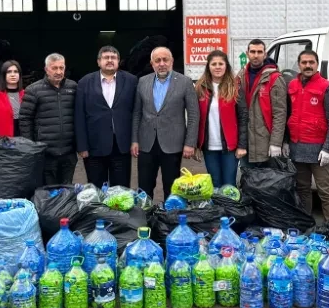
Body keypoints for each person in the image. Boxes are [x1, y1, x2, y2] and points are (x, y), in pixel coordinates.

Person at [131, 47, 199, 199]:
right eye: (157, 60)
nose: (162, 64)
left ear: (172, 61)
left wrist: (190, 143)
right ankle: (146, 218)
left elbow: (194, 114)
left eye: (165, 60)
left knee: (172, 188)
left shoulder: (185, 82)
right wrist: (134, 140)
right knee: (144, 188)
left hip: (173, 144)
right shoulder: (142, 81)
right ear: (152, 63)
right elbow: (137, 113)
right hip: (146, 143)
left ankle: (170, 218)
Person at [285, 49, 329, 221]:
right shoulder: (292, 86)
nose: (308, 66)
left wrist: (328, 149)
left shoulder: (327, 87)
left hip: (319, 150)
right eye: (304, 62)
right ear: (299, 65)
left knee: (326, 192)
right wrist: (286, 141)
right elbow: (288, 115)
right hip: (297, 148)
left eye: (311, 62)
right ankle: (306, 224)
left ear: (317, 65)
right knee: (302, 189)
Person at [75, 46, 138, 188]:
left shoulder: (131, 81)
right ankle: (99, 211)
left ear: (119, 61)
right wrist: (82, 146)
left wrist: (135, 140)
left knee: (121, 190)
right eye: (106, 57)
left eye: (113, 57)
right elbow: (79, 116)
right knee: (96, 189)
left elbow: (136, 113)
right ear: (98, 62)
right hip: (94, 147)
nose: (110, 60)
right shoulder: (85, 82)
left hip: (121, 145)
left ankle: (119, 212)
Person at [20, 53, 78, 185]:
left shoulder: (73, 87)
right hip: (46, 153)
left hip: (68, 152)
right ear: (46, 69)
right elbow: (25, 119)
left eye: (61, 68)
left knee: (67, 190)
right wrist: (31, 146)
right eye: (54, 68)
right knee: (48, 192)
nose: (58, 72)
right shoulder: (33, 90)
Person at [194, 50, 247, 187]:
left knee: (229, 185)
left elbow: (243, 117)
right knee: (215, 184)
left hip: (230, 147)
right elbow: (195, 118)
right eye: (214, 64)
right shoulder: (200, 88)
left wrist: (241, 145)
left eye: (221, 64)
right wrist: (196, 145)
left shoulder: (235, 87)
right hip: (209, 147)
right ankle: (218, 209)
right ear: (208, 67)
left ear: (226, 66)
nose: (217, 67)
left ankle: (229, 209)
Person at [237, 39, 287, 165]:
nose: (256, 55)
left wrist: (276, 143)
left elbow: (280, 114)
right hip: (246, 142)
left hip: (266, 142)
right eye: (252, 51)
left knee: (266, 181)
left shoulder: (275, 78)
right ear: (247, 53)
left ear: (265, 54)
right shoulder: (241, 75)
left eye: (259, 52)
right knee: (248, 181)